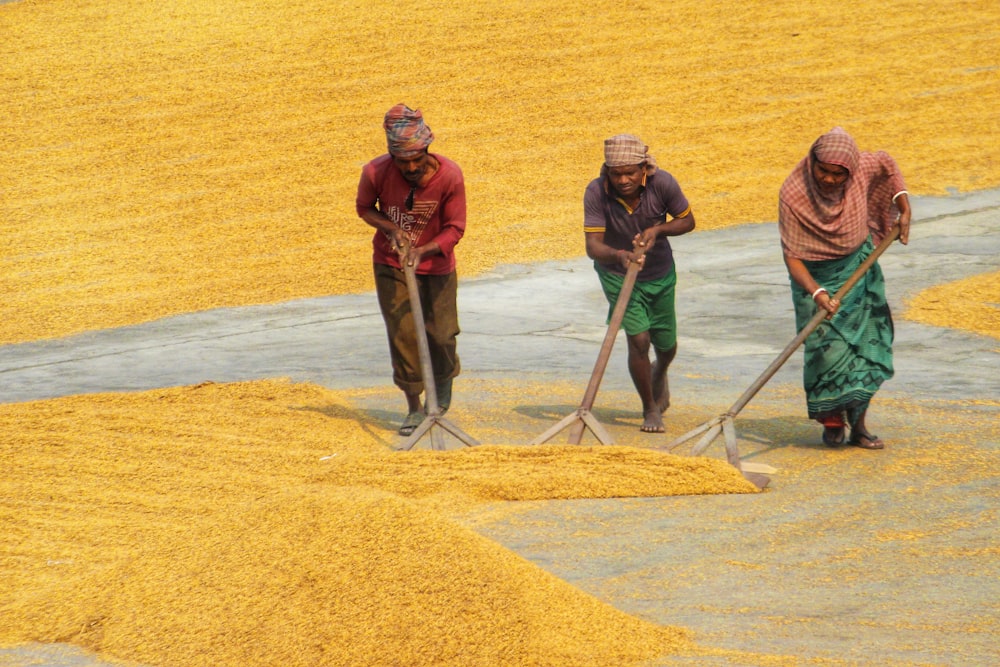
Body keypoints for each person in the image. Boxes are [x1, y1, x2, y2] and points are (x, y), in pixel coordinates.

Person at [778, 126, 911, 450]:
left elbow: (887, 164)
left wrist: (904, 206)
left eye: (839, 175)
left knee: (867, 349)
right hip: (814, 280)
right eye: (823, 170)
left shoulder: (862, 168)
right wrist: (817, 292)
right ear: (812, 162)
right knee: (827, 353)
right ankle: (833, 419)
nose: (829, 179)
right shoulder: (793, 193)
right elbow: (792, 256)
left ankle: (860, 426)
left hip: (859, 270)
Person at [356, 104, 467, 436]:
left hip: (437, 265)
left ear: (427, 150)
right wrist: (392, 229)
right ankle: (415, 408)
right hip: (391, 263)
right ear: (392, 158)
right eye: (403, 162)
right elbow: (364, 208)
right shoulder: (375, 172)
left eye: (417, 159)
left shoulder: (450, 175)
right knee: (403, 335)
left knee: (442, 334)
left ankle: (442, 389)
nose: (412, 167)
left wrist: (424, 250)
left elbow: (456, 228)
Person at [583, 134, 696, 433]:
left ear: (643, 168)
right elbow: (592, 246)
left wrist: (657, 230)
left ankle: (659, 372)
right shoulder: (596, 191)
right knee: (639, 340)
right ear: (607, 172)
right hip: (617, 274)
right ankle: (650, 408)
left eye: (630, 173)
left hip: (659, 273)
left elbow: (688, 221)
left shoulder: (663, 184)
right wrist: (619, 256)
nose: (623, 180)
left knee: (666, 345)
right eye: (616, 173)